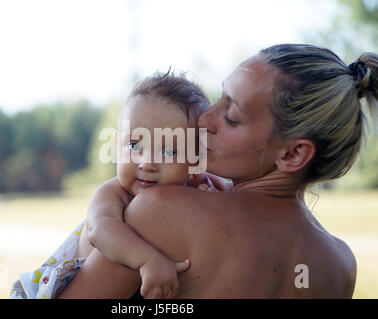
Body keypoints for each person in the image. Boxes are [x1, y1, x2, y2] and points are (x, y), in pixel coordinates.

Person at [58, 44, 377, 299]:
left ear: (293, 154)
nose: (204, 120)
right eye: (220, 98)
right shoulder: (341, 266)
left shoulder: (163, 211)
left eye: (231, 117)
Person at [10, 71, 229, 299]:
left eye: (169, 151)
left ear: (197, 160)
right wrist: (147, 259)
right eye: (135, 146)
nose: (147, 163)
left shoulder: (198, 183)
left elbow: (226, 193)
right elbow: (100, 230)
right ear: (117, 145)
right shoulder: (114, 194)